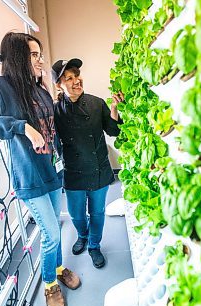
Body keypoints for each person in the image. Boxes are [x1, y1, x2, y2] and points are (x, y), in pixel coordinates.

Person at [0, 32, 80, 306]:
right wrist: (20, 126)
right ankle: (49, 285)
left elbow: (50, 129)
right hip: (29, 176)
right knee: (51, 233)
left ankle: (59, 267)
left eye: (40, 54)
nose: (41, 61)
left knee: (55, 225)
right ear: (18, 57)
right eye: (34, 55)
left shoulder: (40, 90)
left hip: (52, 171)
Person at [52, 58, 124, 269]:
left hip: (98, 168)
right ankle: (82, 235)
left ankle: (94, 245)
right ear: (59, 85)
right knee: (75, 213)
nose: (77, 81)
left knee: (98, 212)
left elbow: (113, 130)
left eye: (77, 76)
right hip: (73, 171)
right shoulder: (55, 111)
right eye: (69, 78)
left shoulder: (96, 103)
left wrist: (114, 109)